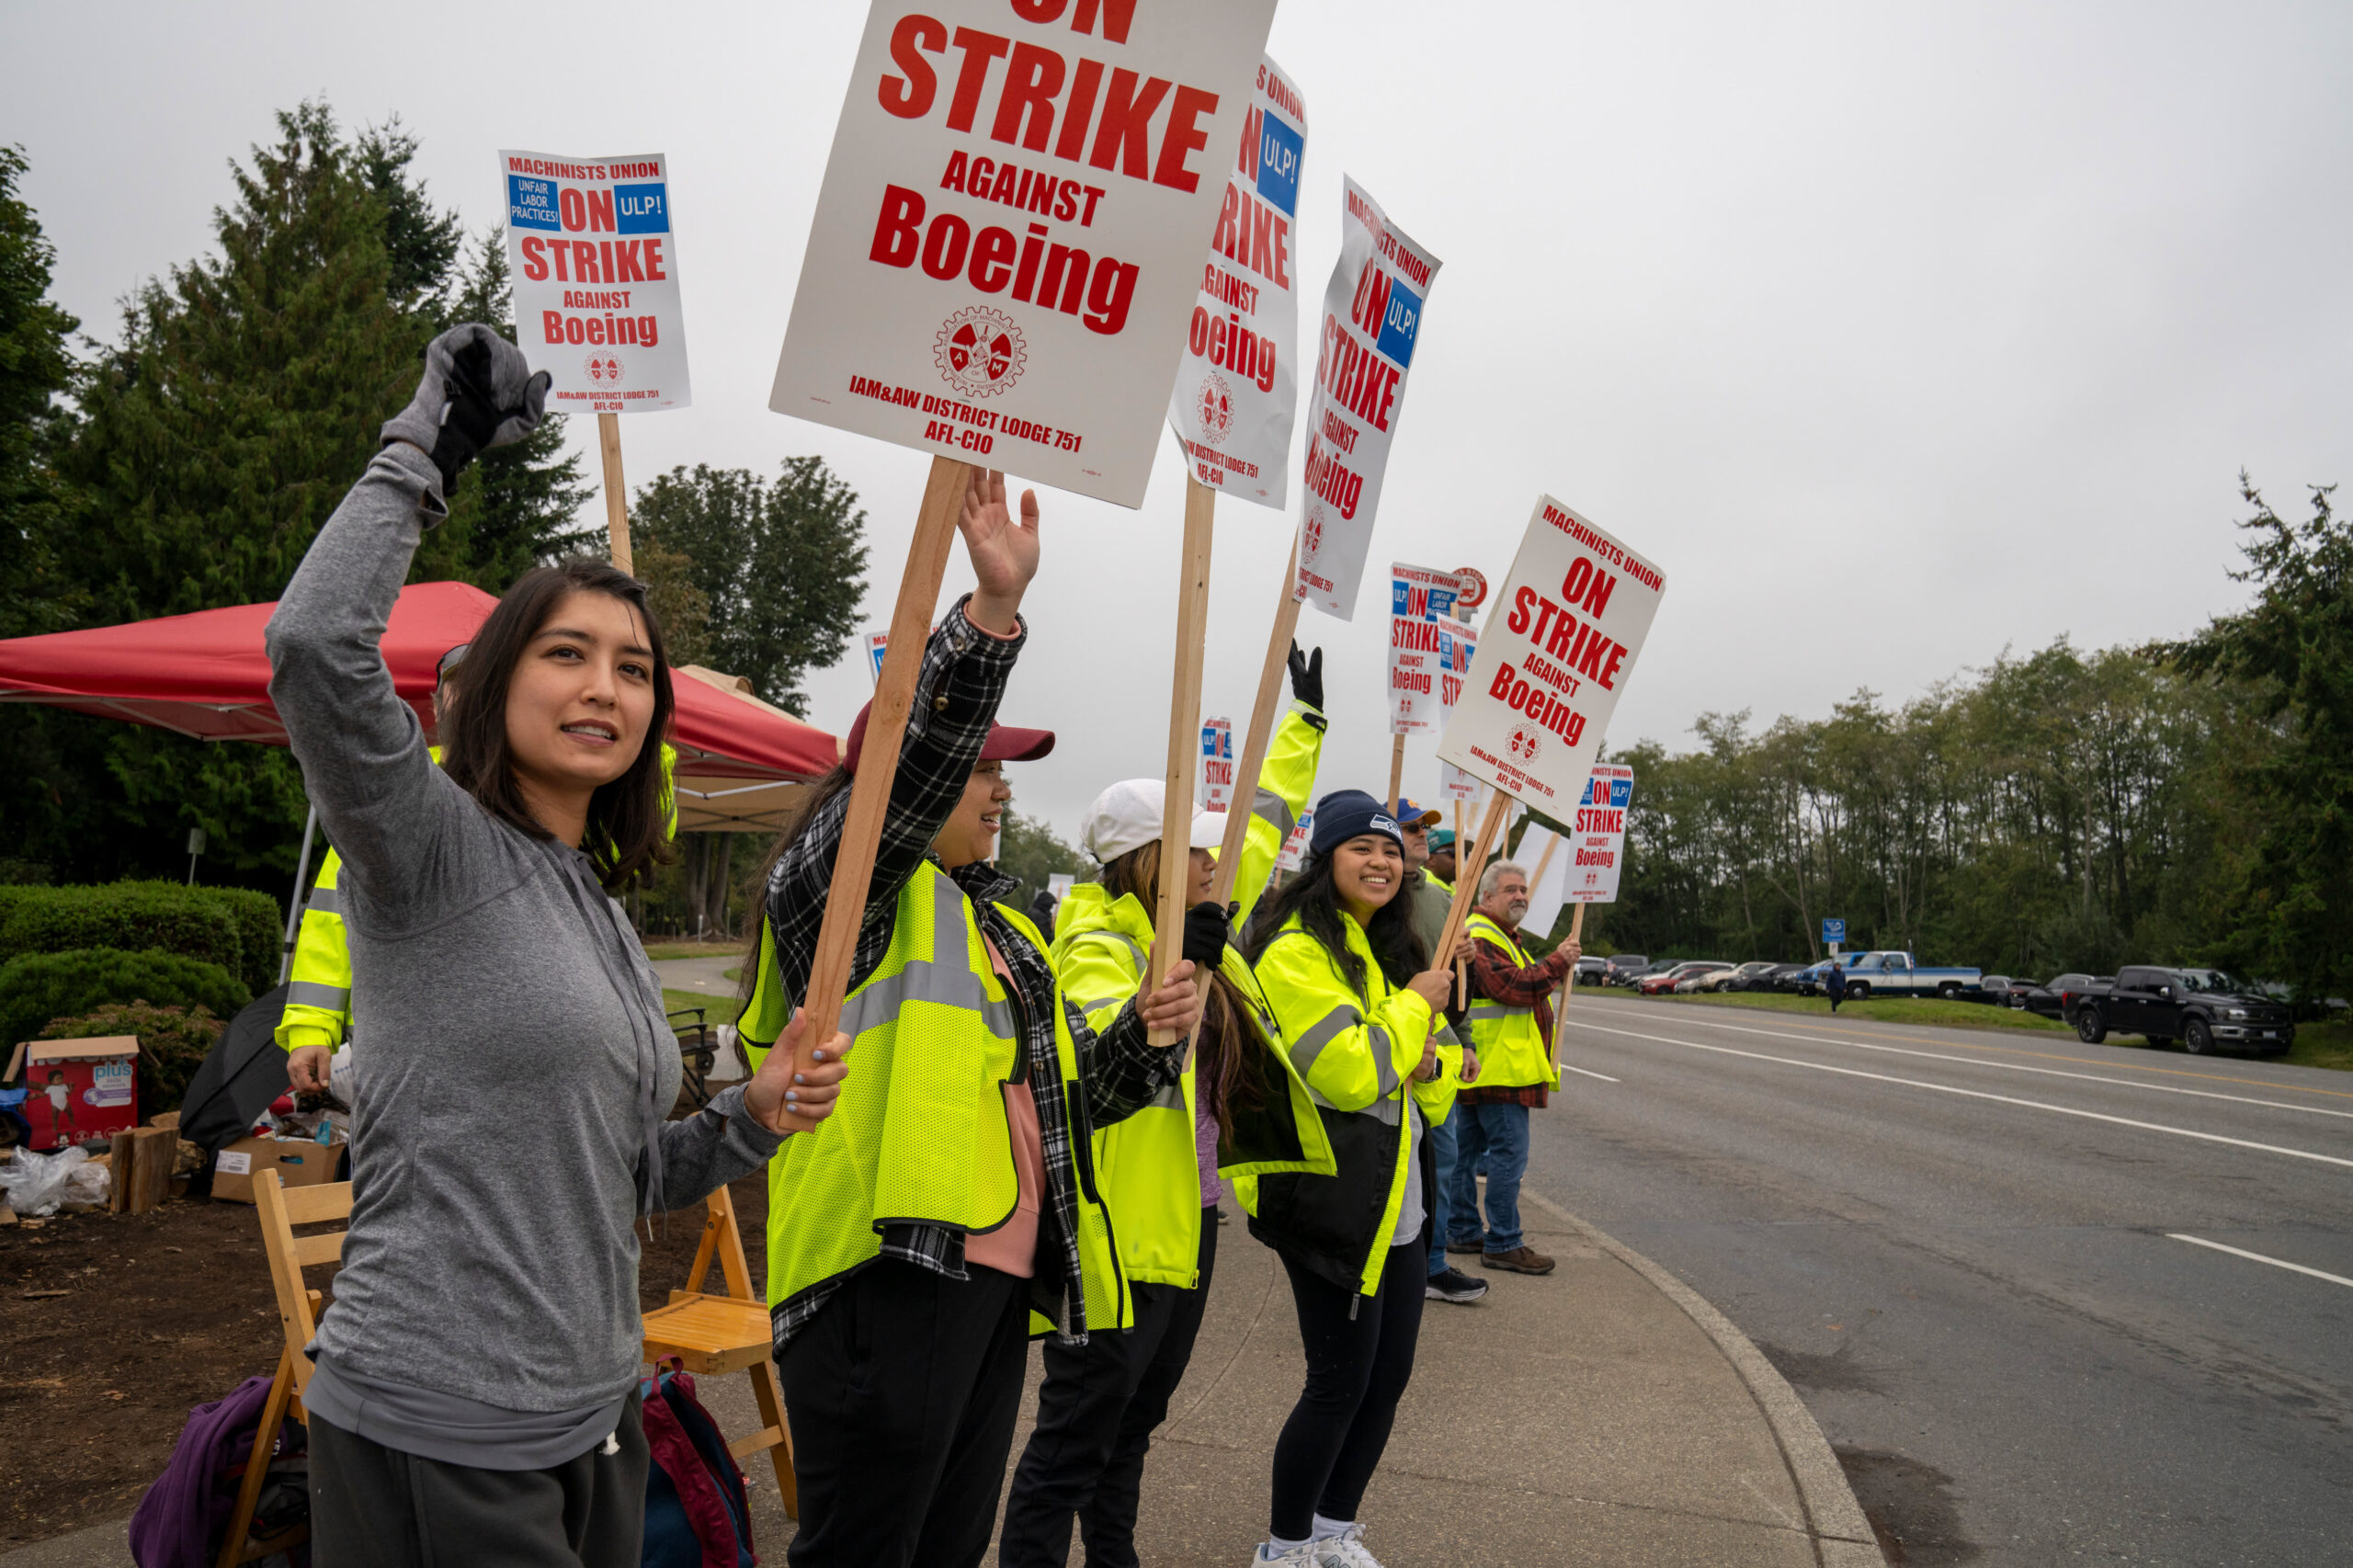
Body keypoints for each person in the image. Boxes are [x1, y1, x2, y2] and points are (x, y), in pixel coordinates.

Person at [266, 324, 848, 1565]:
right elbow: (314, 647)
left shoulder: (590, 895)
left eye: (635, 669)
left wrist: (754, 1109)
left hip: (591, 1414)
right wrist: (424, 448)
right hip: (443, 1419)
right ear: (485, 685)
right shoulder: (426, 845)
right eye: (567, 652)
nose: (606, 688)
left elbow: (619, 1173)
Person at [733, 466, 1207, 1568]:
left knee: (946, 1546)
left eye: (1003, 772)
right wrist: (989, 617)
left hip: (995, 1279)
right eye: (981, 766)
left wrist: (1147, 1031)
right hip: (880, 1271)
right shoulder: (841, 894)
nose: (999, 790)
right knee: (865, 1547)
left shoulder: (999, 926)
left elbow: (1075, 1102)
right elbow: (901, 784)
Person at [999, 644, 1334, 1568]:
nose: (1211, 859)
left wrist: (1302, 727)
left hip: (1192, 1219)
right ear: (1142, 857)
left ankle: (1115, 1558)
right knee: (1073, 1437)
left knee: (1136, 1422)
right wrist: (1177, 966)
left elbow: (1259, 830)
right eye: (1189, 846)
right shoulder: (1096, 939)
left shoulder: (1196, 915)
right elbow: (1116, 1039)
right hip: (1115, 1232)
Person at [1242, 790, 1469, 1568]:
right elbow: (1349, 1073)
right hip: (1330, 1197)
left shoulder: (1388, 950)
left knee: (1386, 1380)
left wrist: (1422, 1042)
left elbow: (1430, 1093)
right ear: (1325, 860)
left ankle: (1334, 1529)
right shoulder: (1296, 950)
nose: (1381, 862)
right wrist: (1413, 1016)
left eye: (1390, 852)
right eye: (1360, 850)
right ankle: (1284, 1545)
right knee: (1336, 1381)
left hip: (1396, 1199)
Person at [280, 642, 470, 1098]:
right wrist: (311, 1025)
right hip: (393, 1059)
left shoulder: (554, 785)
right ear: (436, 704)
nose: (469, 702)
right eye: (457, 688)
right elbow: (330, 915)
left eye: (486, 688)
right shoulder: (391, 790)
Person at [1447, 860, 1578, 1276]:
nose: (1521, 895)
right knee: (1506, 1156)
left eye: (1523, 889)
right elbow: (1516, 988)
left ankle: (1464, 1229)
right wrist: (1558, 961)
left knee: (1464, 1154)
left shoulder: (1500, 936)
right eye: (1510, 890)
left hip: (1483, 1064)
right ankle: (1503, 1241)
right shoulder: (1483, 935)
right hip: (1498, 1066)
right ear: (1487, 897)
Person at [1393, 800, 1485, 1306]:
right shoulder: (1374, 897)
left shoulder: (1446, 897)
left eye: (1424, 828)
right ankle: (1387, 1262)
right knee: (1394, 1161)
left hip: (1439, 1051)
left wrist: (1465, 1040)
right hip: (1391, 1047)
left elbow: (1456, 981)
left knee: (1443, 1158)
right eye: (1410, 827)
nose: (1421, 835)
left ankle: (1431, 1263)